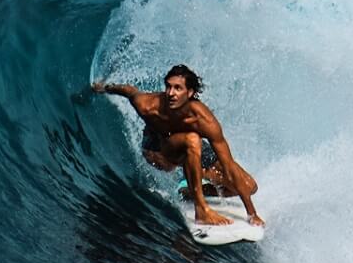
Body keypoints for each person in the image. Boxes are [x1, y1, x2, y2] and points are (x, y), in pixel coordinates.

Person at [91, 65, 263, 228]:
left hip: (189, 144)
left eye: (178, 88)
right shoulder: (148, 106)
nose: (170, 93)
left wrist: (252, 213)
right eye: (168, 86)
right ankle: (201, 211)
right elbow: (130, 91)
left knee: (249, 186)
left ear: (190, 92)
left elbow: (229, 166)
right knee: (192, 140)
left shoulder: (205, 121)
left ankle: (189, 192)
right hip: (158, 149)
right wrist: (105, 88)